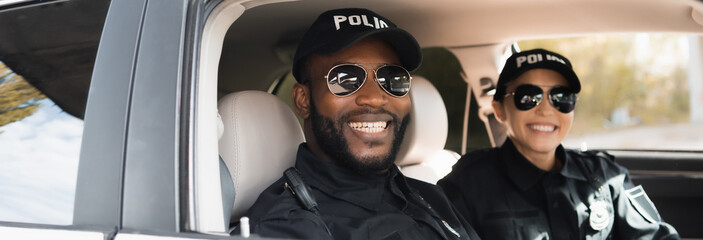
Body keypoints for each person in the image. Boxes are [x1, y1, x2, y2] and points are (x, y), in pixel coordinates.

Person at [240, 8, 478, 240]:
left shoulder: (428, 195)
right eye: (345, 79)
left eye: (391, 78)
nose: (375, 97)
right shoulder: (286, 226)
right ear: (303, 100)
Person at [437, 48, 680, 239]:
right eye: (528, 97)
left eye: (561, 97)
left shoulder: (604, 177)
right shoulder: (467, 185)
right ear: (499, 110)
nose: (546, 109)